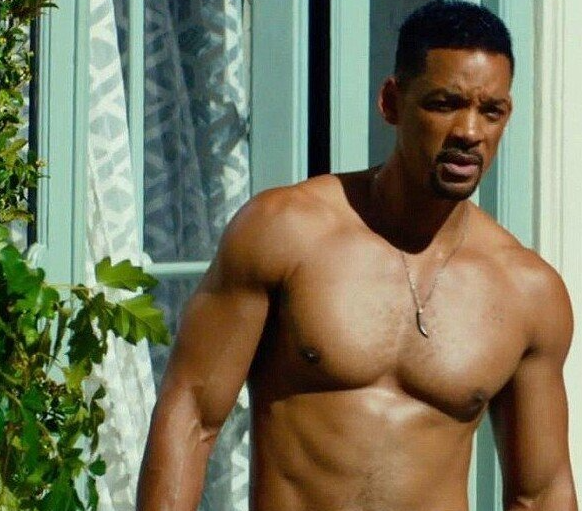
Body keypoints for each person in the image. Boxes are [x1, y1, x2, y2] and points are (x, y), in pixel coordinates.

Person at [137, 1, 578, 510]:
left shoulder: (528, 292)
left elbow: (542, 492)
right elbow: (191, 415)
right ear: (391, 102)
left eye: (490, 111)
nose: (469, 132)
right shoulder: (285, 231)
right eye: (444, 104)